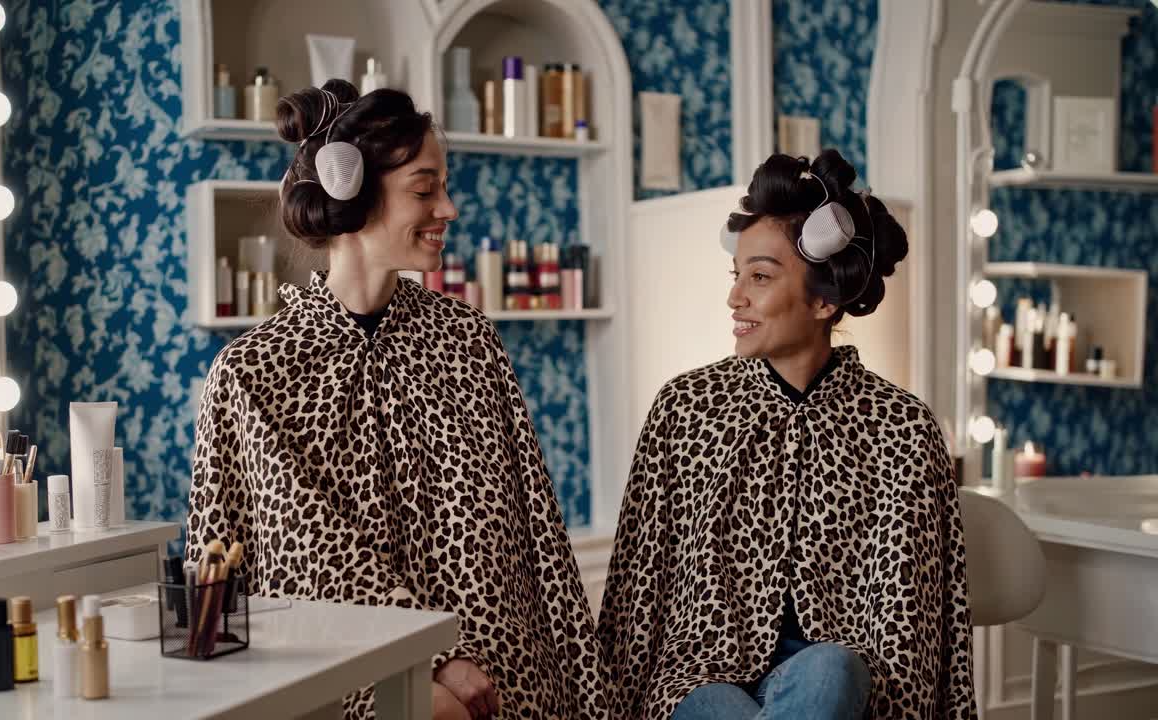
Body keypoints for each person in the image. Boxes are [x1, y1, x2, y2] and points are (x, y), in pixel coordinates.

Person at [186, 79, 607, 720]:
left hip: (509, 676)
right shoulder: (255, 372)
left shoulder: (469, 340)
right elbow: (309, 555)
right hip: (349, 675)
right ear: (353, 193)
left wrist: (588, 689)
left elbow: (537, 533)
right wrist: (436, 656)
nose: (449, 208)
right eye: (424, 188)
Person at [597, 150, 977, 719]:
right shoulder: (687, 409)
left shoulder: (901, 427)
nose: (735, 298)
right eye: (737, 276)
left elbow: (915, 621)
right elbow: (636, 589)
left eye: (760, 277)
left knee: (832, 670)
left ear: (825, 300)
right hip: (699, 678)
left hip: (843, 690)